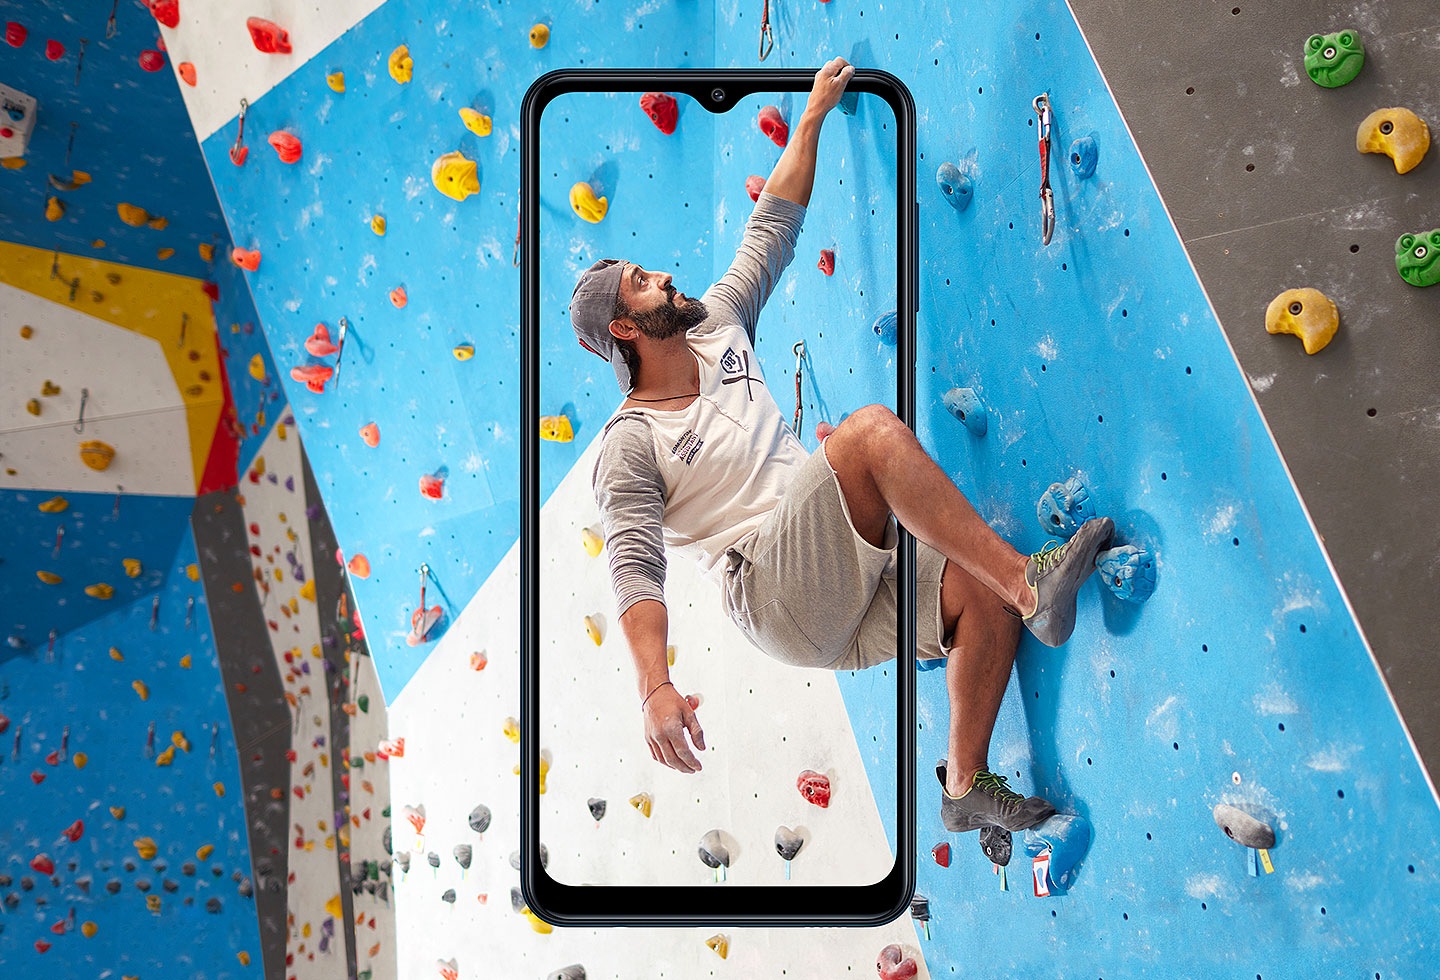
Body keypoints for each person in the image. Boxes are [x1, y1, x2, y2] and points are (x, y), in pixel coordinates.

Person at [567, 57, 1113, 834]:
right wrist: (654, 686)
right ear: (625, 329)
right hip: (772, 592)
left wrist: (816, 113)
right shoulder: (629, 444)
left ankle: (963, 786)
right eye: (643, 284)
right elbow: (634, 566)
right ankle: (1034, 588)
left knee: (974, 593)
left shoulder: (718, 323)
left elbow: (773, 226)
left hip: (844, 570)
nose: (663, 278)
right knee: (866, 437)